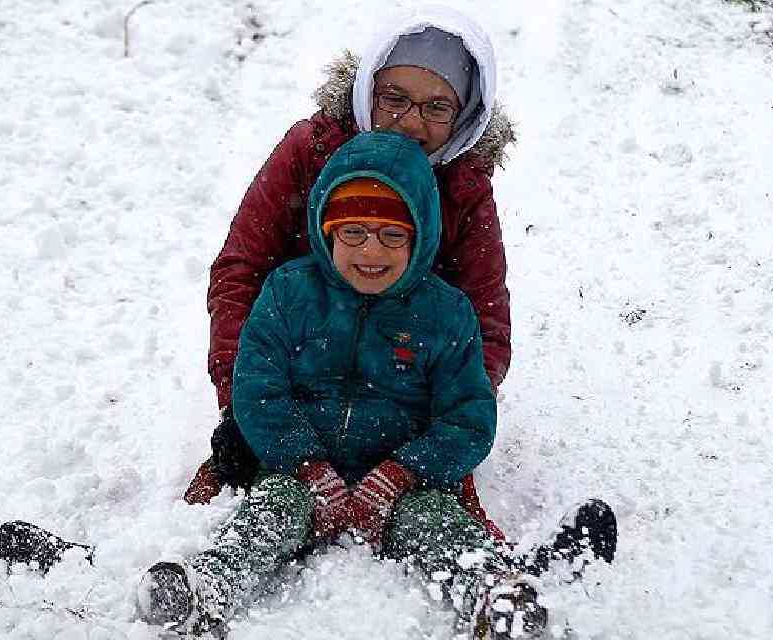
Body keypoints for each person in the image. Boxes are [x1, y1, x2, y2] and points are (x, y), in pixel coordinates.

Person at [137, 131, 544, 638]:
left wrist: (401, 474)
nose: (370, 250)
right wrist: (308, 467)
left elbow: (468, 417)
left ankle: (491, 593)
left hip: (403, 484)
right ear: (326, 230)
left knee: (438, 522)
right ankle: (208, 588)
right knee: (270, 513)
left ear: (421, 237)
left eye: (393, 235)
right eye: (353, 231)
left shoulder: (446, 314)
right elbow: (258, 390)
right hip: (300, 473)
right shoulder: (288, 293)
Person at [183, 7, 516, 545]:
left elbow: (485, 322)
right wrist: (241, 399)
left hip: (404, 382)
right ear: (368, 90)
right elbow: (240, 270)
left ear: (465, 114)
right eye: (395, 99)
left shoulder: (464, 185)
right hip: (303, 365)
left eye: (437, 107)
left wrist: (438, 431)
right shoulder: (313, 150)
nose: (411, 121)